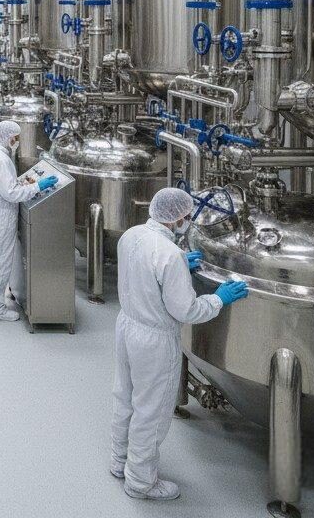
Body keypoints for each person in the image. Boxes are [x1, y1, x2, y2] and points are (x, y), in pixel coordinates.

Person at [110, 186, 249, 501]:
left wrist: (178, 263)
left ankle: (119, 461)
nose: (188, 221)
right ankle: (141, 482)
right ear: (179, 218)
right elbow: (186, 310)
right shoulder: (169, 255)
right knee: (152, 410)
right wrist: (219, 298)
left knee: (124, 396)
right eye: (187, 217)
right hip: (154, 340)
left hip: (126, 326)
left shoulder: (130, 236)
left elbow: (142, 269)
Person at [0, 119, 57, 320]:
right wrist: (39, 186)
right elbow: (11, 194)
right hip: (2, 215)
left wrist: (24, 184)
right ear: (8, 137)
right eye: (16, 138)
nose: (17, 141)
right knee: (0, 261)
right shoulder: (2, 161)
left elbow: (6, 186)